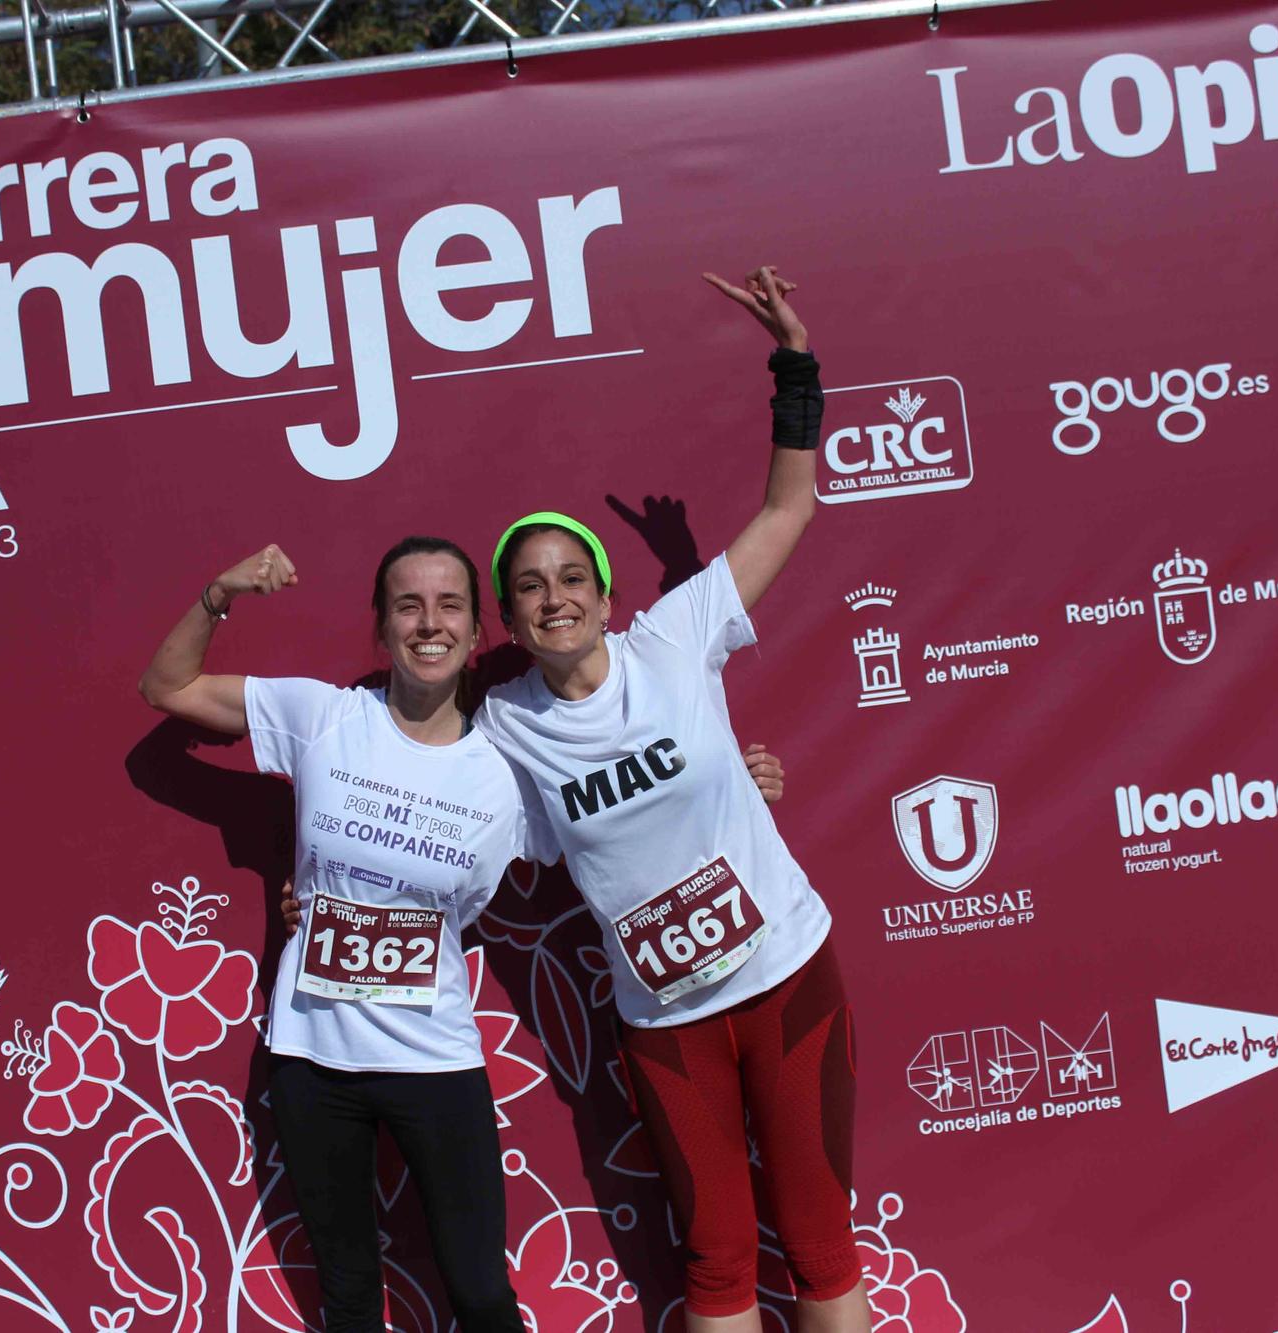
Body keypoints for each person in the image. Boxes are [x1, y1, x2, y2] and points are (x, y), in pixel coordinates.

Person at [139, 535, 789, 1331]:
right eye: (407, 605)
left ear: (479, 630)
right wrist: (220, 589)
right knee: (347, 1300)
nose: (428, 622)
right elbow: (166, 686)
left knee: (482, 1295)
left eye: (449, 604)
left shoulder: (510, 764)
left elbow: (634, 803)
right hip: (312, 1059)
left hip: (434, 1059)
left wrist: (731, 772)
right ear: (381, 626)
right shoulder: (322, 716)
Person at [471, 264, 872, 1333]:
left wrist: (792, 364)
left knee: (821, 1241)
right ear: (507, 617)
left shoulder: (675, 637)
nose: (554, 597)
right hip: (667, 1020)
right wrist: (329, 892)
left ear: (604, 594)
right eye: (529, 585)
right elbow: (425, 821)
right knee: (717, 1266)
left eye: (571, 578)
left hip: (784, 972)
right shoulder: (502, 727)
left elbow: (789, 507)